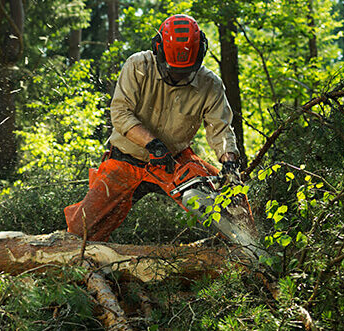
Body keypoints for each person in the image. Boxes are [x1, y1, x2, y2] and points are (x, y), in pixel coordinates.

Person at [64, 14, 241, 242]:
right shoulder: (138, 66)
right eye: (174, 71)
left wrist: (229, 163)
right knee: (82, 229)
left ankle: (247, 247)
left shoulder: (210, 84)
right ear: (158, 51)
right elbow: (120, 113)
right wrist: (152, 144)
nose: (179, 76)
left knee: (229, 196)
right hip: (126, 159)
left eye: (185, 71)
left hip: (174, 161)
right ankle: (81, 257)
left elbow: (221, 129)